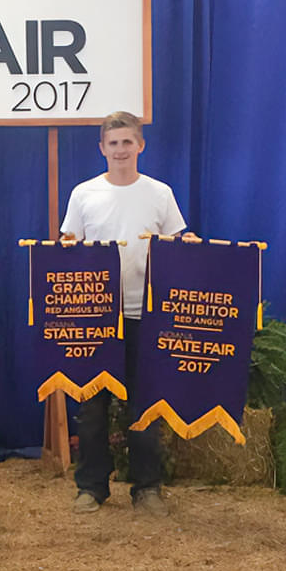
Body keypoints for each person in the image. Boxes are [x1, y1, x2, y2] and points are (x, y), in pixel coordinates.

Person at [60, 111, 190, 517]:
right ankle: (92, 487)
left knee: (144, 405)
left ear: (140, 146)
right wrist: (63, 247)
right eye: (112, 143)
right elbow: (68, 242)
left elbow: (178, 242)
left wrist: (193, 248)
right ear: (102, 148)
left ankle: (147, 487)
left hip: (144, 314)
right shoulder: (83, 193)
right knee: (92, 407)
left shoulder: (159, 193)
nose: (120, 150)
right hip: (96, 317)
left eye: (127, 142)